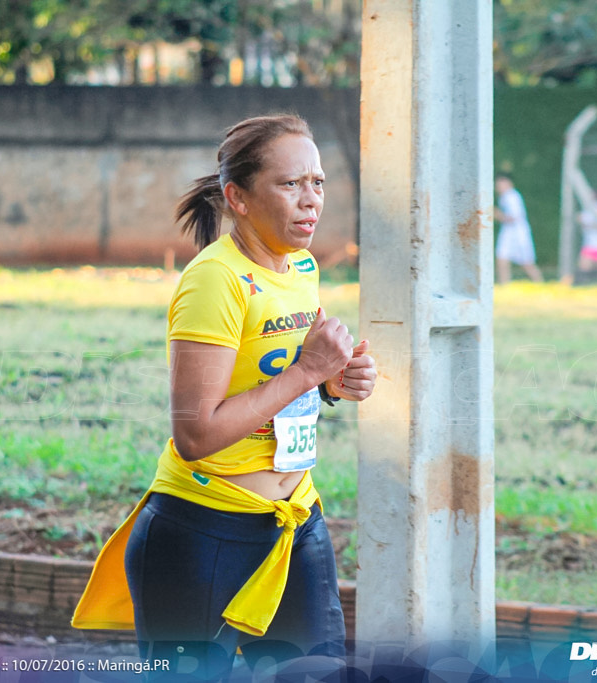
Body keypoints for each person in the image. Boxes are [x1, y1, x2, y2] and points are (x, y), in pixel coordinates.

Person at [71, 114, 377, 680]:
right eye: (290, 184)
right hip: (201, 534)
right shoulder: (215, 280)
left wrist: (335, 382)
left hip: (292, 525)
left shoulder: (301, 266)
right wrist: (309, 370)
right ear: (236, 197)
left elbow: (280, 376)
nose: (311, 200)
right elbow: (195, 435)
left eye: (318, 183)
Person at [494, 173, 543, 284]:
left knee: (527, 263)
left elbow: (513, 218)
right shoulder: (505, 197)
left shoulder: (512, 197)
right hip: (508, 232)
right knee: (502, 259)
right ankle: (504, 285)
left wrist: (497, 214)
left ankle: (539, 283)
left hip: (518, 234)